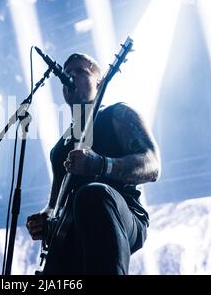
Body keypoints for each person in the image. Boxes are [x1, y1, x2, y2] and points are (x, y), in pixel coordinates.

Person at [26, 53, 161, 274]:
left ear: (99, 81)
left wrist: (100, 164)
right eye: (67, 73)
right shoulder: (60, 148)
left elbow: (152, 165)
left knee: (93, 194)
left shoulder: (117, 114)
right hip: (71, 228)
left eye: (80, 71)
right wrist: (44, 219)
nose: (71, 77)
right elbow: (54, 203)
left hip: (121, 214)